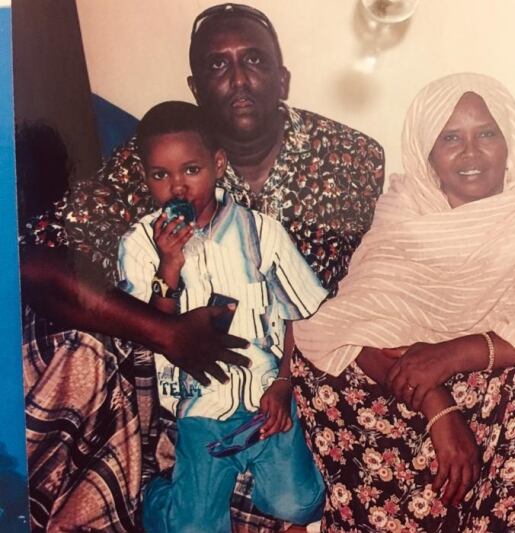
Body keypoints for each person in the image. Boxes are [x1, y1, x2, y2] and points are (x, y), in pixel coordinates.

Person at [19, 4, 384, 531]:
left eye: (254, 60)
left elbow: (336, 296)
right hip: (181, 384)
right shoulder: (155, 159)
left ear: (282, 78)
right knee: (78, 344)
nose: (238, 78)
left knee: (301, 496)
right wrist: (164, 331)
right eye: (217, 66)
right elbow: (33, 257)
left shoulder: (349, 157)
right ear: (194, 86)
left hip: (278, 366)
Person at [292, 72, 515, 532]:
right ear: (427, 151)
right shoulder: (405, 208)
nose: (471, 153)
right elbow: (353, 324)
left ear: (509, 139)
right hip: (405, 410)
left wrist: (456, 353)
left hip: (501, 410)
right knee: (319, 360)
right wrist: (439, 408)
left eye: (486, 134)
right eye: (450, 137)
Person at [118, 101, 327, 531]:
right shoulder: (139, 243)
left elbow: (299, 316)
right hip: (200, 407)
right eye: (161, 175)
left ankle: (253, 476)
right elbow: (152, 333)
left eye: (191, 170)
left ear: (217, 164)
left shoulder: (261, 232)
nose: (178, 188)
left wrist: (284, 384)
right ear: (146, 179)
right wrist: (169, 266)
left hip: (264, 399)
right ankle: (158, 500)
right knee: (194, 527)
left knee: (302, 504)